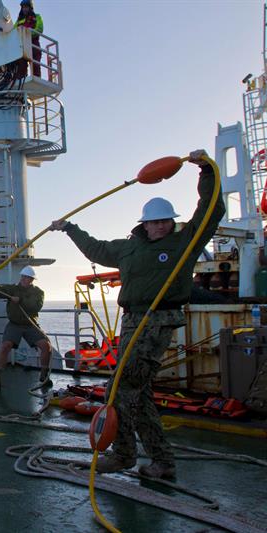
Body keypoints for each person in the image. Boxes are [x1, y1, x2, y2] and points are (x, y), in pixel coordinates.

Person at [50, 149, 225, 479]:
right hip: (132, 321)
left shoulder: (184, 241)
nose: (160, 226)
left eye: (165, 221)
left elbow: (211, 209)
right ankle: (162, 462)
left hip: (158, 320)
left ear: (172, 222)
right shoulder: (129, 247)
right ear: (143, 224)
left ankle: (123, 454)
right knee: (139, 394)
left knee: (120, 389)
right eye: (154, 221)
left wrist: (205, 171)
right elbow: (97, 249)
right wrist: (70, 228)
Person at [0, 266, 52, 389]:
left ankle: (44, 374)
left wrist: (20, 300)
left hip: (30, 324)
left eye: (27, 277)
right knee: (5, 346)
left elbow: (35, 307)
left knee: (46, 346)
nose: (24, 279)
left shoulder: (38, 292)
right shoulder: (12, 289)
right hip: (14, 324)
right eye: (23, 277)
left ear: (32, 280)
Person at [15, 0, 44, 78]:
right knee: (21, 66)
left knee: (35, 66)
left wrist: (26, 34)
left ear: (30, 8)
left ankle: (37, 82)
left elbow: (39, 29)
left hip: (33, 45)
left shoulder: (37, 17)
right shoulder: (19, 21)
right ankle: (21, 80)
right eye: (23, 7)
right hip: (22, 47)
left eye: (26, 7)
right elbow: (14, 32)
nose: (24, 9)